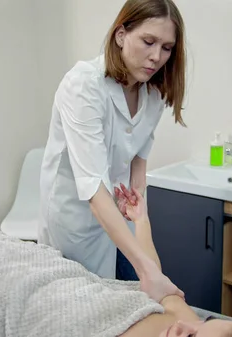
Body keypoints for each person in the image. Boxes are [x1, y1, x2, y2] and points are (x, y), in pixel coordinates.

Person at [0, 192, 232, 337]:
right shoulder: (182, 320)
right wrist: (141, 219)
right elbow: (155, 276)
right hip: (57, 280)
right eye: (202, 328)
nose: (185, 330)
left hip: (14, 308)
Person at [38, 0, 187, 302]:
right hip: (76, 220)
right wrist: (147, 269)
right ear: (121, 35)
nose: (157, 56)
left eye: (167, 48)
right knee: (82, 304)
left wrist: (139, 214)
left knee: (136, 296)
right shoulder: (83, 86)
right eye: (148, 41)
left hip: (120, 212)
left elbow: (138, 163)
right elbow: (93, 189)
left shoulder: (153, 94)